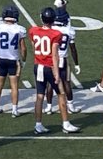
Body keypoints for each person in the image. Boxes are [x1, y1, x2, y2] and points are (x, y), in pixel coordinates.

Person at [29, 7, 80, 135]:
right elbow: (55, 55)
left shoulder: (33, 30)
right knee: (61, 93)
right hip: (49, 67)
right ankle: (66, 123)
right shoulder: (55, 34)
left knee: (40, 96)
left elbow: (33, 46)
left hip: (38, 65)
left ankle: (38, 125)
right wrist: (56, 73)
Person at [0, 5, 26, 117]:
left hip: (2, 59)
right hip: (13, 60)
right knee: (14, 86)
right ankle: (14, 109)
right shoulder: (20, 29)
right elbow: (23, 48)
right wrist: (23, 60)